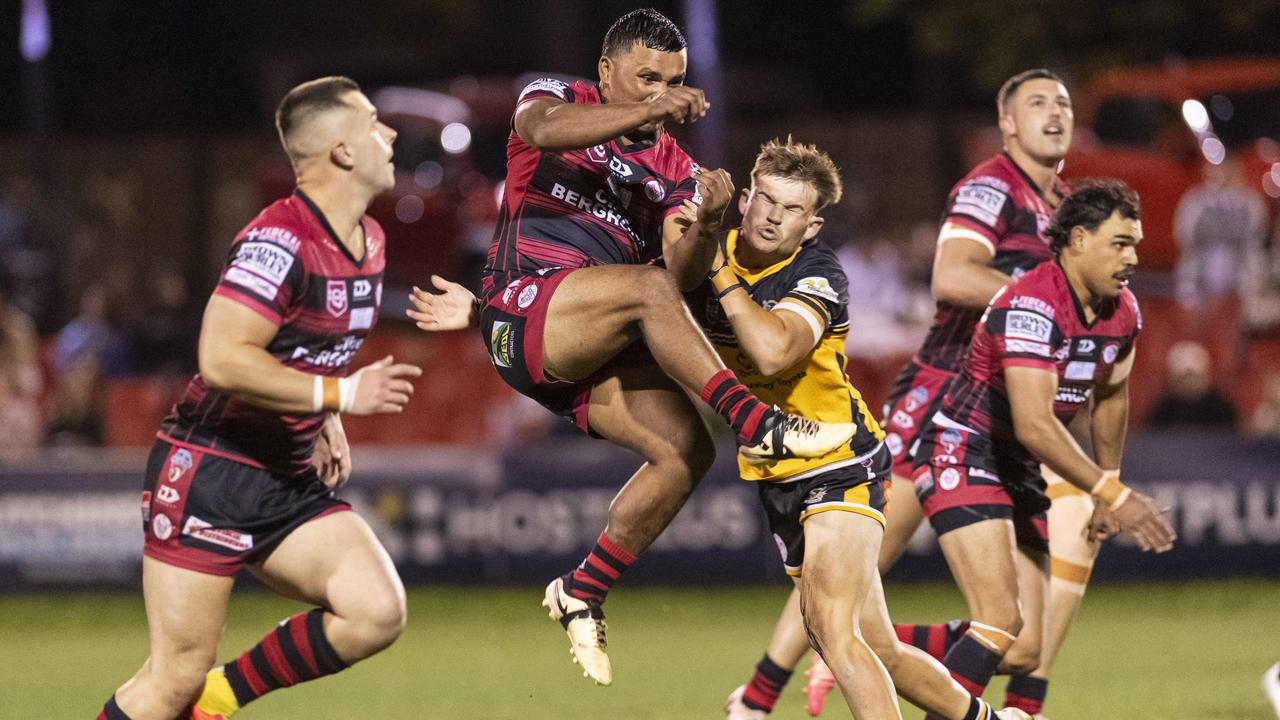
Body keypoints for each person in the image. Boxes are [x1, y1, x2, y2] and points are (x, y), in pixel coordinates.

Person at [406, 9, 853, 687]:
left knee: (685, 452)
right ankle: (758, 427)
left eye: (672, 81)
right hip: (521, 312)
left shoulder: (677, 166)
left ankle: (583, 590)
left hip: (594, 340)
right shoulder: (555, 97)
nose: (661, 95)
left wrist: (704, 223)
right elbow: (543, 131)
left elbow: (680, 274)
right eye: (647, 78)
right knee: (644, 294)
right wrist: (644, 112)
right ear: (606, 70)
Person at [728, 69, 1084, 718]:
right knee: (860, 573)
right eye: (1037, 103)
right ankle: (759, 697)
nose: (1055, 112)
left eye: (1063, 102)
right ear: (1007, 124)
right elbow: (953, 276)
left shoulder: (1061, 210)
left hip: (998, 420)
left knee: (1017, 640)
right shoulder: (991, 187)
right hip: (946, 405)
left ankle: (803, 679)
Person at [95, 76, 423, 720]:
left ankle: (219, 699)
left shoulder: (370, 241)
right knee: (172, 679)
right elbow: (221, 358)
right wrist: (342, 393)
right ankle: (196, 694)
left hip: (284, 477)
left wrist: (324, 415)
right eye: (373, 124)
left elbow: (304, 347)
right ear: (341, 151)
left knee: (375, 611)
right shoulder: (280, 241)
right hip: (212, 471)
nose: (388, 135)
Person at [906, 179, 1174, 717]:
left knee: (1025, 648)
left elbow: (1112, 395)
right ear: (1077, 239)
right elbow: (1034, 423)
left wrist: (1107, 480)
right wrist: (1114, 493)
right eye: (1120, 243)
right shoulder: (1033, 302)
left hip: (1014, 467)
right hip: (963, 448)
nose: (1133, 258)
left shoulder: (1123, 311)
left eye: (1135, 244)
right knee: (1001, 618)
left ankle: (874, 643)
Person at [1146, 340, 1237, 428]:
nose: (1189, 383)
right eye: (1184, 378)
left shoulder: (1221, 409)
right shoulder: (1163, 411)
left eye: (1194, 377)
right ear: (1173, 380)